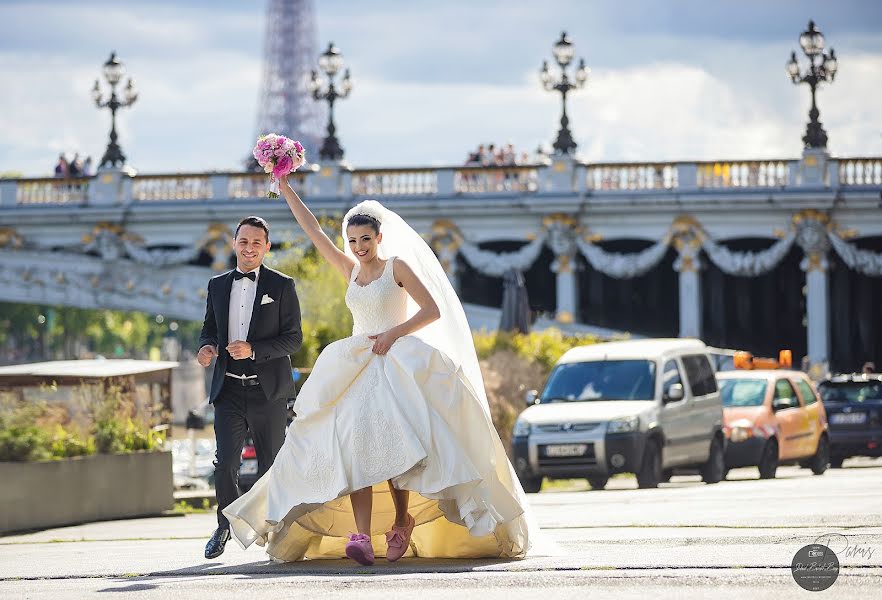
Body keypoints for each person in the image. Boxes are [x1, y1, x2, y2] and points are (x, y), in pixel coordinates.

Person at [222, 177, 535, 565]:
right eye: (352, 242)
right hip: (355, 364)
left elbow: (431, 310)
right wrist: (284, 187)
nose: (358, 248)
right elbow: (314, 231)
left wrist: (394, 333)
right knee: (354, 447)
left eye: (365, 240)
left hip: (396, 361)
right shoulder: (350, 270)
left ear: (379, 236)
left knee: (395, 446)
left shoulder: (396, 268)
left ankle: (402, 521)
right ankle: (361, 536)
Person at [196, 215, 303, 560]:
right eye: (243, 242)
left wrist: (255, 350)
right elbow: (209, 328)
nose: (249, 248)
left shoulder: (283, 286)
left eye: (257, 243)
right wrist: (207, 347)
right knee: (225, 463)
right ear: (234, 244)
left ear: (267, 247)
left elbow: (294, 339)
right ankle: (224, 525)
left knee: (270, 465)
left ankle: (276, 530)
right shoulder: (217, 285)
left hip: (267, 391)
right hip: (228, 390)